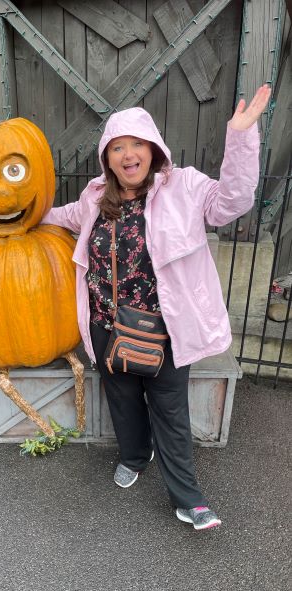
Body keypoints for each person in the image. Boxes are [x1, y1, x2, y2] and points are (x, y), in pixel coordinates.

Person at [41, 85, 271, 531]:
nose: (128, 154)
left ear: (153, 149)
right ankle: (133, 455)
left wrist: (241, 139)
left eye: (136, 144)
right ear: (107, 159)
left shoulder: (185, 186)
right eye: (117, 147)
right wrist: (14, 213)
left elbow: (232, 203)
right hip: (106, 325)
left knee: (169, 410)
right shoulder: (93, 199)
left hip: (163, 332)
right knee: (123, 401)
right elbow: (58, 215)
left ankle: (189, 499)